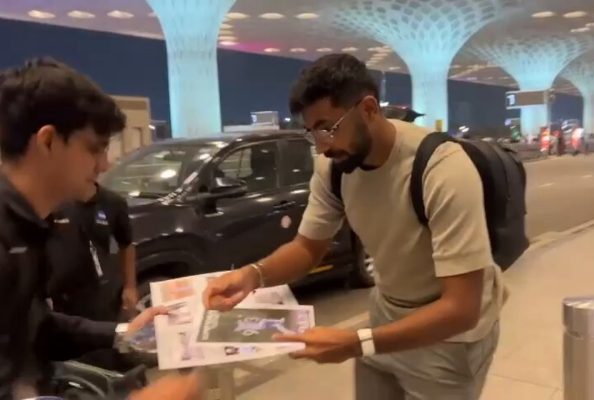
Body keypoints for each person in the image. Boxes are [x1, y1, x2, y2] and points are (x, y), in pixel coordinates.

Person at [203, 54, 505, 399]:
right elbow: (307, 248)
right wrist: (252, 275)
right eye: (311, 131)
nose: (321, 146)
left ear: (369, 109)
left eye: (328, 127)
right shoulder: (334, 168)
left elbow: (461, 309)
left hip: (447, 339)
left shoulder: (443, 170)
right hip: (387, 313)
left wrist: (356, 342)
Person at [0, 58, 202, 400]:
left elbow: (36, 326)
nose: (105, 164)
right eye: (94, 148)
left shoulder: (29, 226)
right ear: (47, 141)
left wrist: (124, 332)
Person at [47, 181, 139, 322]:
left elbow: (126, 244)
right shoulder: (54, 201)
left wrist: (130, 287)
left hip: (100, 295)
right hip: (62, 297)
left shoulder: (113, 202)